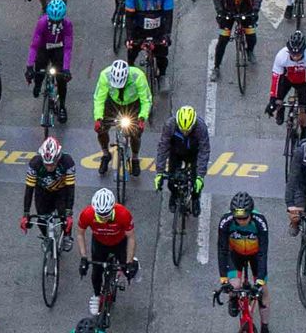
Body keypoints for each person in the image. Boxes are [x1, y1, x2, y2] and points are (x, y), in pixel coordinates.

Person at [74, 189, 138, 318]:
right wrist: (84, 257)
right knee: (96, 272)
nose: (104, 218)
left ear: (113, 208)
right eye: (100, 215)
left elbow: (131, 238)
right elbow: (80, 234)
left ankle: (135, 264)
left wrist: (129, 262)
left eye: (107, 214)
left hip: (119, 243)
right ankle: (97, 295)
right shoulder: (87, 214)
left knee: (128, 270)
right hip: (100, 243)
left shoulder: (123, 214)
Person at [214, 192, 271, 333]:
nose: (241, 221)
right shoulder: (225, 221)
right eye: (238, 218)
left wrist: (259, 282)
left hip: (256, 255)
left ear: (251, 214)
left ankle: (265, 326)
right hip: (236, 255)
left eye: (244, 218)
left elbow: (263, 253)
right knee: (235, 285)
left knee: (263, 292)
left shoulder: (260, 222)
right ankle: (234, 298)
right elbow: (222, 250)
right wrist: (223, 279)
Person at [93, 59, 153, 178]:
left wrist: (142, 118)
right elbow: (99, 99)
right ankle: (106, 154)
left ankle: (134, 158)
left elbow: (146, 100)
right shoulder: (105, 75)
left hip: (133, 103)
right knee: (101, 130)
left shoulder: (138, 76)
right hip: (113, 102)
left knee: (136, 133)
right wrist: (98, 118)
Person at [211, 0, 261, 78]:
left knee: (251, 36)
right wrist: (220, 11)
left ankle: (249, 51)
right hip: (228, 11)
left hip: (246, 10)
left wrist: (255, 9)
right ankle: (216, 67)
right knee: (223, 40)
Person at [153, 106, 209, 214]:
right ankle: (173, 195)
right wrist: (159, 172)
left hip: (194, 153)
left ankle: (195, 199)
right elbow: (163, 147)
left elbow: (204, 151)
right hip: (176, 152)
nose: (185, 133)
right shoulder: (170, 125)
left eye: (188, 130)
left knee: (196, 183)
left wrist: (200, 176)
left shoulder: (201, 128)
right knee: (171, 180)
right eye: (182, 130)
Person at [122, 0, 174, 78]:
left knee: (162, 55)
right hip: (139, 27)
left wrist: (166, 35)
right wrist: (130, 37)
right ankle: (130, 69)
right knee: (131, 50)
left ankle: (162, 75)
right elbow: (129, 17)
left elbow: (168, 16)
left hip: (158, 27)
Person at [22, 136, 78, 233]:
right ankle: (45, 236)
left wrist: (69, 213)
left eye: (52, 164)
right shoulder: (34, 164)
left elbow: (70, 189)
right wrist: (26, 213)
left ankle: (66, 237)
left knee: (64, 219)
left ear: (58, 158)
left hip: (61, 192)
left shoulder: (67, 162)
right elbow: (29, 190)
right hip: (42, 192)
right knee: (41, 220)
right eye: (46, 164)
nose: (49, 167)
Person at [26, 0, 74, 110]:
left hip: (59, 48)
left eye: (58, 21)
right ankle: (38, 84)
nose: (55, 23)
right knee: (39, 68)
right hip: (44, 47)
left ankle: (62, 106)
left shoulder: (67, 24)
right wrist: (29, 66)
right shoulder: (42, 23)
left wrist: (66, 69)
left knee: (61, 79)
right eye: (52, 20)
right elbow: (34, 45)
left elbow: (68, 48)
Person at [267, 29, 306, 132]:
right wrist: (272, 99)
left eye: (298, 54)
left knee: (303, 113)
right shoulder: (281, 56)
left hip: (304, 82)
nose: (295, 57)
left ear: (304, 50)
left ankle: (303, 133)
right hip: (287, 79)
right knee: (277, 100)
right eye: (292, 54)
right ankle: (280, 108)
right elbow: (276, 78)